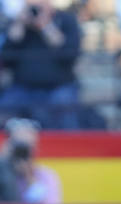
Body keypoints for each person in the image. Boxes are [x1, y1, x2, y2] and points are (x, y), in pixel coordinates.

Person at [0, 0, 82, 129]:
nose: (35, 8)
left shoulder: (66, 20)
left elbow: (69, 55)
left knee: (64, 106)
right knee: (6, 107)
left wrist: (45, 26)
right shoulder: (18, 24)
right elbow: (6, 58)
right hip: (22, 88)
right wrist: (19, 25)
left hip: (59, 87)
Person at [0, 116, 61, 204]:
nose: (21, 153)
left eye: (26, 148)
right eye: (18, 147)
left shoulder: (46, 176)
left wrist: (29, 178)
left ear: (35, 149)